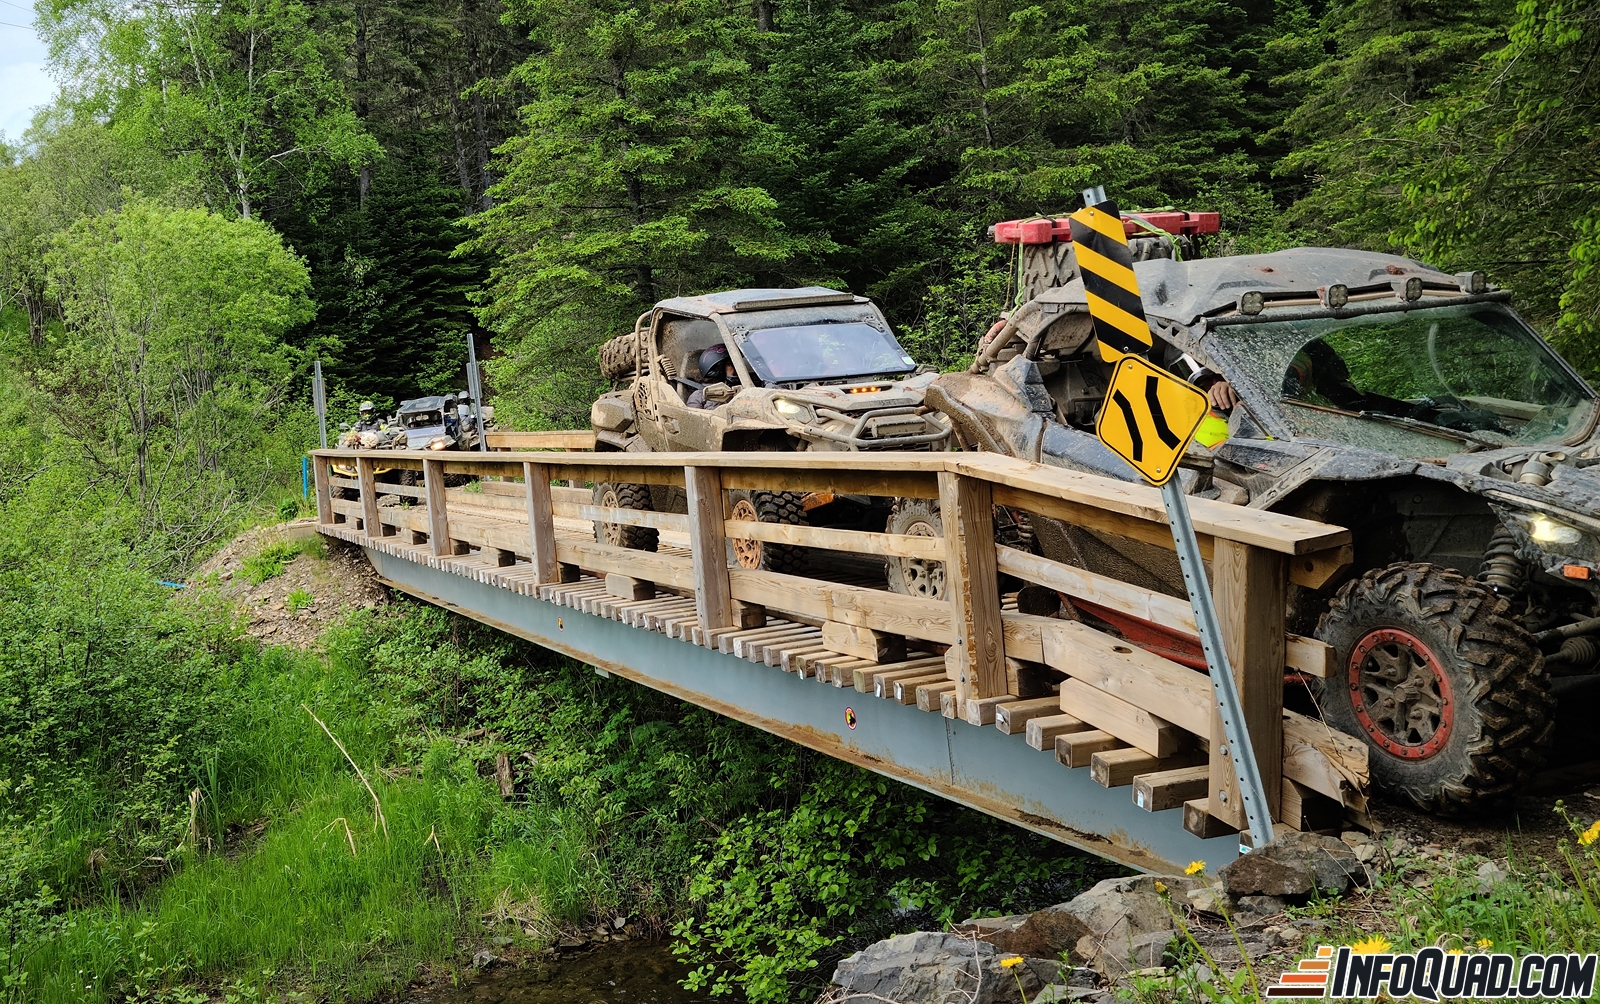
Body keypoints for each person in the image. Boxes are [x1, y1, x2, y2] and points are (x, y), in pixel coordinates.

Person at [687, 345, 740, 409]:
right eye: (729, 364)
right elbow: (691, 416)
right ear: (718, 368)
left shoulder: (738, 388)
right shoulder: (699, 395)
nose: (735, 368)